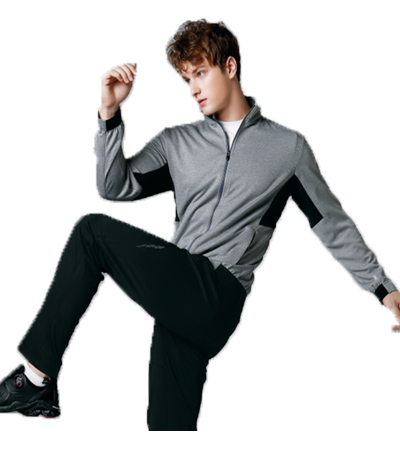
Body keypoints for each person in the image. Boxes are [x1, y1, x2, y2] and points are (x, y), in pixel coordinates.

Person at [0, 19, 399, 430]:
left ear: (230, 67)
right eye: (187, 78)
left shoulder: (287, 148)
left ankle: (36, 379)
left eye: (201, 73)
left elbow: (331, 223)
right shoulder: (176, 143)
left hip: (219, 292)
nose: (193, 88)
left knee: (91, 234)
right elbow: (113, 186)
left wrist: (383, 288)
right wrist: (109, 113)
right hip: (178, 295)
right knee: (168, 427)